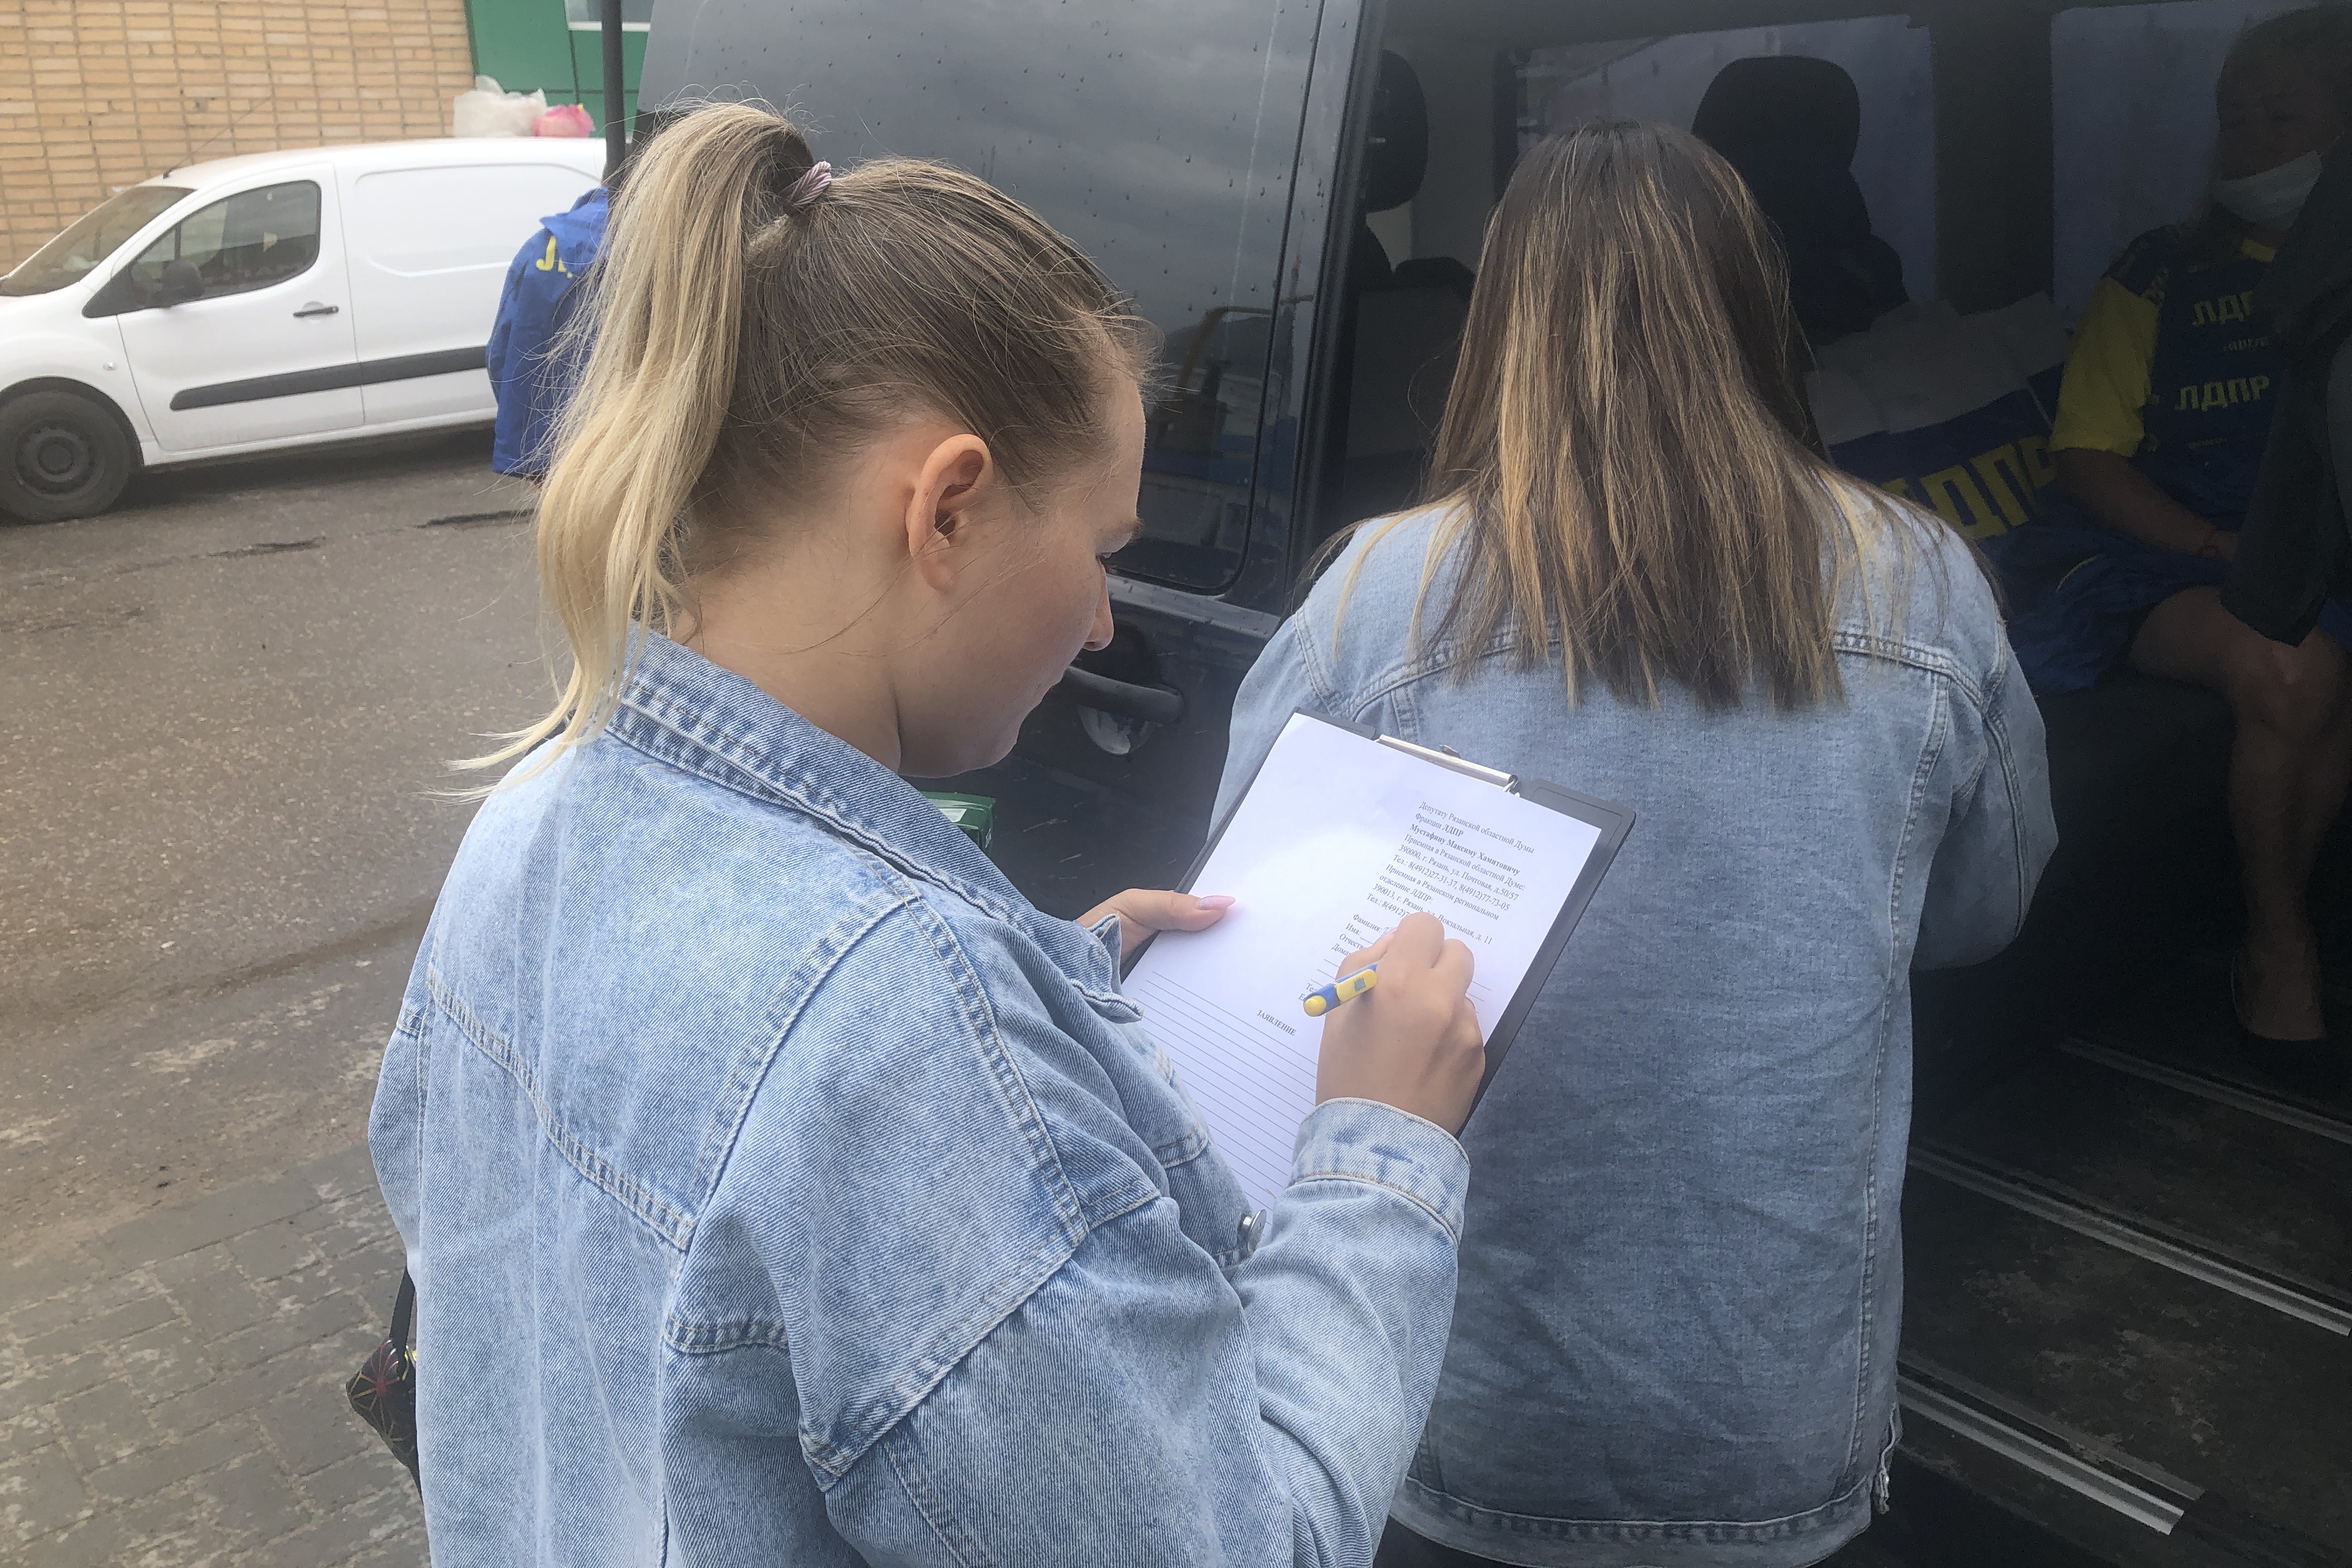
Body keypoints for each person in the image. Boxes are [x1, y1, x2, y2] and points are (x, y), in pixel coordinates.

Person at [372, 103, 1490, 1565]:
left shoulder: (533, 813)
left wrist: (1040, 987)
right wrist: (1379, 1149)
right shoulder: (897, 1037)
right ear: (948, 511)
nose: (1103, 622)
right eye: (1101, 548)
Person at [1221, 121, 2055, 1568]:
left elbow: (1256, 960)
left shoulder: (1370, 602)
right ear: (1754, 309)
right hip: (1775, 1426)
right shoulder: (1921, 584)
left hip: (1448, 1415)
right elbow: (1988, 908)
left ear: (1503, 327)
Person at [1993, 8, 2352, 1090]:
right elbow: (2087, 458)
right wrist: (2220, 544)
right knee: (2290, 668)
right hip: (2152, 555)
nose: (2252, 144)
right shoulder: (2158, 273)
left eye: (2282, 117)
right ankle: (2277, 948)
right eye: (2234, 121)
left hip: (2315, 552)